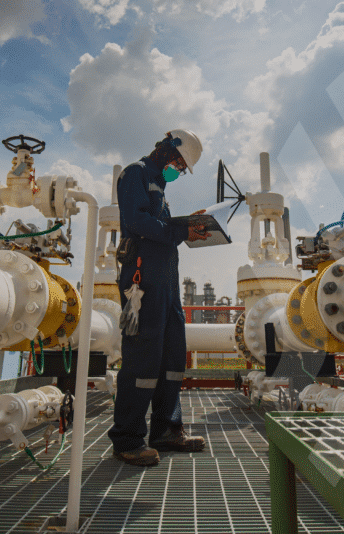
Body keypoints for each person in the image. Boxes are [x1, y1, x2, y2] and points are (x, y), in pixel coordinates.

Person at [108, 129, 209, 466]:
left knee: (171, 357)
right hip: (142, 279)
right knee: (141, 357)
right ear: (167, 151)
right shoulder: (135, 173)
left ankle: (166, 430)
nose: (177, 172)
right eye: (178, 165)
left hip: (166, 283)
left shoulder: (160, 188)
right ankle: (127, 438)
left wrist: (189, 226)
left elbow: (162, 230)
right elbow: (137, 222)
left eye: (181, 169)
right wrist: (181, 229)